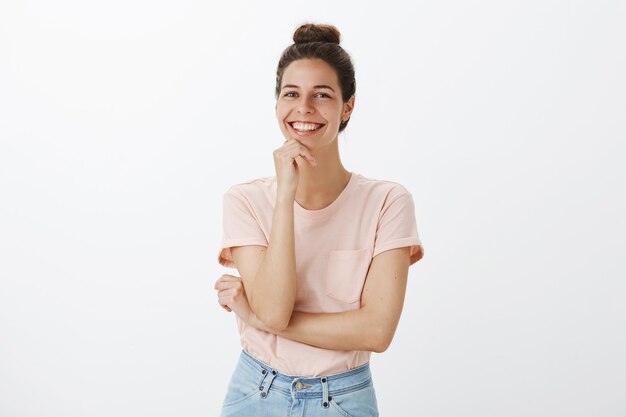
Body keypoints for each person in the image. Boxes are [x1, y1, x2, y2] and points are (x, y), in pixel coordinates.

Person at [213, 22, 424, 417]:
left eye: (322, 95)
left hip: (343, 399)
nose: (304, 108)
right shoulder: (245, 200)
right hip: (255, 394)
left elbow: (377, 331)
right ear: (277, 103)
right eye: (291, 94)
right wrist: (285, 197)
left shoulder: (387, 203)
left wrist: (256, 316)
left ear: (348, 106)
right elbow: (275, 309)